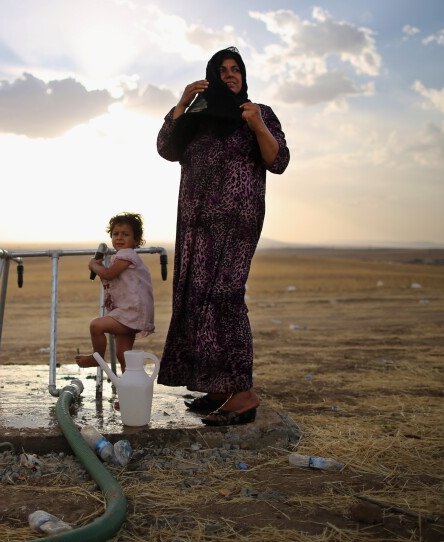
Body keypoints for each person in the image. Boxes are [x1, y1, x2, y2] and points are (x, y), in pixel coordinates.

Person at [155, 46, 290, 426]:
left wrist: (257, 125)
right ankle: (217, 387)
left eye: (236, 70)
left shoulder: (258, 112)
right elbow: (166, 148)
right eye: (222, 70)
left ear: (244, 77)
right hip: (195, 221)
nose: (230, 75)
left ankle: (242, 394)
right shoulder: (196, 115)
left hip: (236, 220)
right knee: (195, 297)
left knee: (224, 297)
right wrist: (182, 101)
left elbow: (277, 161)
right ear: (211, 77)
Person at [75, 212, 155, 371]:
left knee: (96, 325)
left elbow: (109, 274)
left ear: (136, 240)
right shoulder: (121, 257)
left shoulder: (127, 254)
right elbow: (109, 279)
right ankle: (132, 385)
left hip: (131, 312)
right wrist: (101, 270)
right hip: (129, 310)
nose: (119, 238)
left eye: (125, 234)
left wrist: (94, 266)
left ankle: (97, 357)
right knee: (124, 356)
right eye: (115, 234)